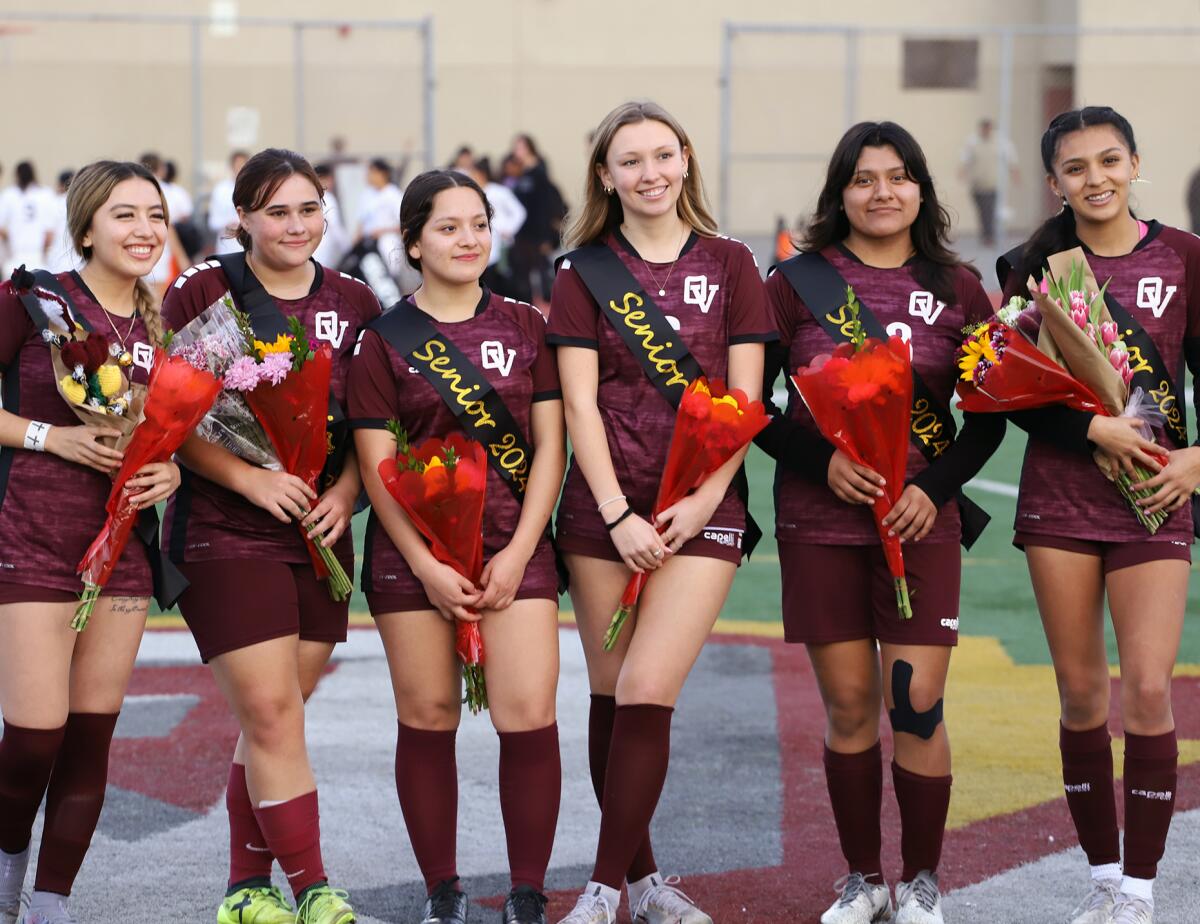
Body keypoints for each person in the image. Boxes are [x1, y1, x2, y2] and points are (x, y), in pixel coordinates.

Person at [755, 121, 1005, 924]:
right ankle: (864, 881)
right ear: (840, 193)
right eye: (864, 179)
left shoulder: (960, 288)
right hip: (820, 521)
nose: (883, 192)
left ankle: (923, 881)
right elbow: (751, 405)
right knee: (852, 707)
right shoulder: (794, 282)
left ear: (922, 190)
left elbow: (994, 417)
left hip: (920, 522)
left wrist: (934, 487)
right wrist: (818, 461)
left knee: (917, 703)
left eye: (899, 177)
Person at [547, 100, 774, 924]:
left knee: (647, 687)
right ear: (606, 176)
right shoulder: (581, 274)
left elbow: (748, 399)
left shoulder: (733, 264)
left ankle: (601, 890)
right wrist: (616, 515)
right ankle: (640, 884)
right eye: (630, 161)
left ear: (685, 161)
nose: (650, 173)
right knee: (611, 696)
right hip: (605, 512)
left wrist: (704, 497)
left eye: (662, 155)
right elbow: (578, 407)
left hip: (701, 512)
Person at [163, 148, 380, 924]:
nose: (295, 226)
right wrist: (251, 479)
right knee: (275, 715)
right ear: (241, 219)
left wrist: (349, 493)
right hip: (226, 529)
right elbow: (171, 417)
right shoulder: (209, 289)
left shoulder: (356, 301)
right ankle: (314, 887)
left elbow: (371, 425)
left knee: (275, 714)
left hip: (320, 533)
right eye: (276, 211)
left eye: (308, 208)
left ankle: (244, 889)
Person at [998, 107, 1200, 924]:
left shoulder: (1185, 257)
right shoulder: (1034, 266)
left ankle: (1144, 890)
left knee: (1148, 688)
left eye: (1109, 161)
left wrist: (1195, 460)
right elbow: (1001, 389)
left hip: (1155, 495)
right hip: (1061, 500)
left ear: (1136, 164)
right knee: (1082, 695)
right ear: (1055, 183)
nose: (1095, 178)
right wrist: (1089, 425)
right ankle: (1103, 879)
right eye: (1075, 168)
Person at [349, 169, 566, 924]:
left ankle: (528, 894)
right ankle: (443, 891)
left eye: (478, 224)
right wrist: (425, 566)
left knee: (527, 713)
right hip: (415, 562)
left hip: (516, 548)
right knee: (430, 714)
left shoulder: (525, 325)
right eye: (447, 227)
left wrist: (518, 553)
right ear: (413, 242)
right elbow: (378, 467)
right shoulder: (382, 340)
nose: (468, 239)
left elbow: (550, 450)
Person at [0, 160, 180, 924]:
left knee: (90, 737)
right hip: (32, 532)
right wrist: (53, 438)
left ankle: (53, 902)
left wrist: (169, 472)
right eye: (124, 215)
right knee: (36, 733)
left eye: (155, 216)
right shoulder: (36, 300)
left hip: (121, 548)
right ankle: (8, 861)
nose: (143, 230)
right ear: (86, 227)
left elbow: (171, 434)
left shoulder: (166, 323)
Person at [461, 157, 527, 299]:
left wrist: (508, 229)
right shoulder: (470, 194)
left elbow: (519, 212)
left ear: (481, 174)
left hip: (500, 243)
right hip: (479, 242)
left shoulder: (499, 192)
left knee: (499, 280)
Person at [509, 135, 564, 305]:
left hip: (536, 234)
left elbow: (544, 207)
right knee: (523, 275)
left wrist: (546, 237)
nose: (516, 151)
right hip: (522, 233)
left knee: (541, 275)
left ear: (529, 148)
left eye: (519, 147)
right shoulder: (520, 173)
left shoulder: (539, 173)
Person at [959, 119, 1018, 247]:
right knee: (982, 211)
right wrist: (962, 173)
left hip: (994, 184)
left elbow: (1011, 159)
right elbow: (965, 160)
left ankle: (990, 236)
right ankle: (986, 235)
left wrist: (1015, 175)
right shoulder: (972, 142)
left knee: (990, 210)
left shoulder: (1001, 143)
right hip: (978, 184)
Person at [0, 162, 53, 277]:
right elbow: (49, 234)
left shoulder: (8, 195)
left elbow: (2, 229)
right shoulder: (46, 194)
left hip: (15, 257)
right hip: (38, 258)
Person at [355, 157, 405, 275]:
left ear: (383, 174)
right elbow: (361, 221)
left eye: (373, 172)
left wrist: (382, 231)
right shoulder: (366, 194)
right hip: (368, 243)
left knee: (387, 275)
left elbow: (403, 223)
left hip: (387, 241)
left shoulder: (393, 194)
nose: (369, 176)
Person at [208, 150, 249, 255]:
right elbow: (213, 222)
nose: (240, 168)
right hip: (226, 247)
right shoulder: (220, 190)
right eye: (238, 165)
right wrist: (229, 223)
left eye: (243, 165)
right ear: (231, 166)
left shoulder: (254, 189)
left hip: (248, 246)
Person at [312, 163, 351, 270]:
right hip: (323, 248)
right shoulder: (327, 198)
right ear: (328, 178)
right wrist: (348, 248)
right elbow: (335, 227)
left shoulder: (310, 197)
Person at [43, 171, 77, 274]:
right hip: (79, 260)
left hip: (58, 261)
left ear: (60, 185)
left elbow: (49, 236)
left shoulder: (54, 202)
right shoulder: (80, 202)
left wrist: (44, 255)